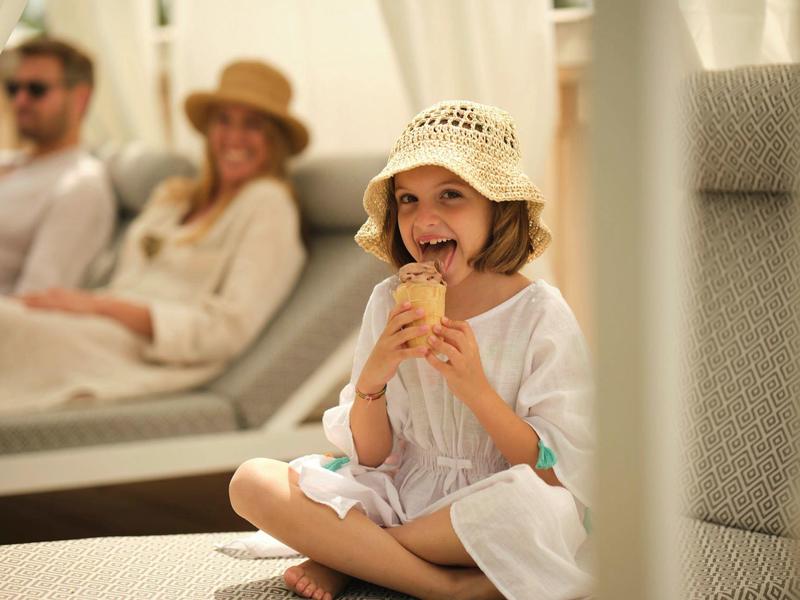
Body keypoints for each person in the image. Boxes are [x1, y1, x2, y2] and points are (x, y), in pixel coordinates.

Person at [228, 101, 594, 600]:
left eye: (451, 195)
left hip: (495, 502)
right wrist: (373, 379)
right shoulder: (388, 301)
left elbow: (553, 471)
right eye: (408, 200)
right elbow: (374, 458)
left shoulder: (538, 313)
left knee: (530, 509)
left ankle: (355, 555)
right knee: (252, 482)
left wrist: (477, 392)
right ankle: (446, 587)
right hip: (404, 494)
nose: (425, 218)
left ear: (498, 207)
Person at [0, 60, 308, 414]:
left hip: (147, 354)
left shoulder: (268, 205)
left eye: (252, 125)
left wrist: (100, 306)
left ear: (277, 140)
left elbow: (227, 330)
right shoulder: (173, 197)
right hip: (98, 329)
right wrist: (77, 304)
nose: (233, 137)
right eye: (223, 120)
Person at [0, 37, 115, 294]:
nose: (19, 101)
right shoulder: (9, 163)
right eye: (12, 88)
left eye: (36, 89)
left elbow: (35, 302)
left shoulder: (80, 186)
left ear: (80, 99)